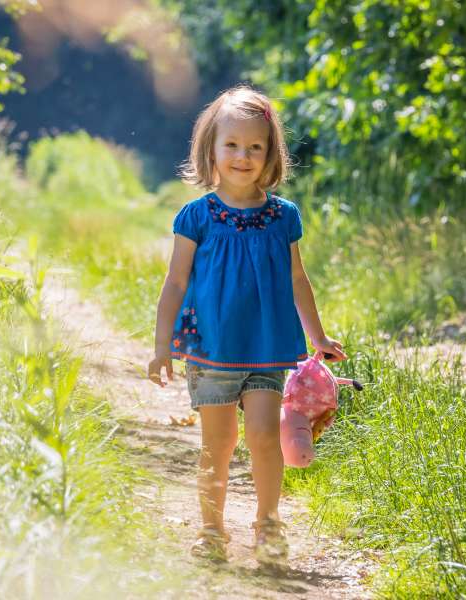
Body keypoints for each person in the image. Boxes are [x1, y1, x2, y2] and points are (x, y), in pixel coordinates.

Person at [146, 85, 346, 565]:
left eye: (255, 147)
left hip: (267, 348)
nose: (243, 155)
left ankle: (268, 524)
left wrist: (317, 337)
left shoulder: (283, 217)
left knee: (262, 435)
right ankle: (212, 530)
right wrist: (160, 346)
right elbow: (174, 283)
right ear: (210, 149)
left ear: (270, 153)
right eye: (231, 145)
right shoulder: (195, 216)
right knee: (218, 441)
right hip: (210, 348)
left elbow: (299, 278)